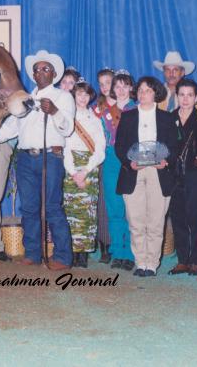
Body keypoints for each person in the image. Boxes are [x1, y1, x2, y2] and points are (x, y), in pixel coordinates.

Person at [0, 49, 75, 270]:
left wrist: (56, 111)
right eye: (37, 69)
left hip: (51, 156)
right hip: (26, 158)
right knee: (28, 208)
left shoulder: (63, 97)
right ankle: (32, 253)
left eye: (45, 69)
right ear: (33, 74)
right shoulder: (24, 99)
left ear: (54, 73)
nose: (40, 72)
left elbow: (68, 129)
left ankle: (63, 256)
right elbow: (10, 127)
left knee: (52, 207)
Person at [115, 76, 178, 277]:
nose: (143, 94)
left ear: (156, 93)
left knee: (156, 220)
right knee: (135, 220)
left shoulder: (167, 118)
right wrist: (129, 162)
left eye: (148, 90)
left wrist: (166, 161)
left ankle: (151, 263)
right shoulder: (127, 116)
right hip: (134, 171)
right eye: (140, 90)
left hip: (158, 172)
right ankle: (140, 261)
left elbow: (174, 146)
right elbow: (120, 146)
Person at [63, 80, 106, 268]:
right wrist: (74, 173)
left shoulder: (95, 120)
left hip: (90, 167)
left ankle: (84, 254)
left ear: (90, 97)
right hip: (70, 167)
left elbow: (100, 150)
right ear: (74, 95)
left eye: (86, 94)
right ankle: (71, 251)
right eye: (79, 93)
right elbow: (65, 147)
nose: (82, 97)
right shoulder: (66, 118)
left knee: (88, 212)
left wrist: (86, 170)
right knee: (71, 211)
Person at [168, 78, 197, 276]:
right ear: (177, 96)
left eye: (189, 95)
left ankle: (196, 260)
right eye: (181, 94)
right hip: (174, 176)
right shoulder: (169, 118)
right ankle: (182, 260)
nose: (185, 99)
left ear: (196, 97)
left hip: (196, 175)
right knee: (178, 219)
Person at [100, 70, 137, 271]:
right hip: (112, 159)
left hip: (132, 159)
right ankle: (118, 251)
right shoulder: (106, 112)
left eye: (125, 85)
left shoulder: (139, 110)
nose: (121, 90)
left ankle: (131, 253)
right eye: (117, 86)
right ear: (113, 89)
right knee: (114, 208)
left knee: (131, 209)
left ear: (131, 88)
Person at [92, 67, 115, 263]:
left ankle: (122, 245)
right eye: (101, 83)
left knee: (120, 202)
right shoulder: (96, 109)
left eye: (108, 82)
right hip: (102, 158)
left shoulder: (126, 106)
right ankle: (105, 246)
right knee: (102, 202)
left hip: (121, 159)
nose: (105, 87)